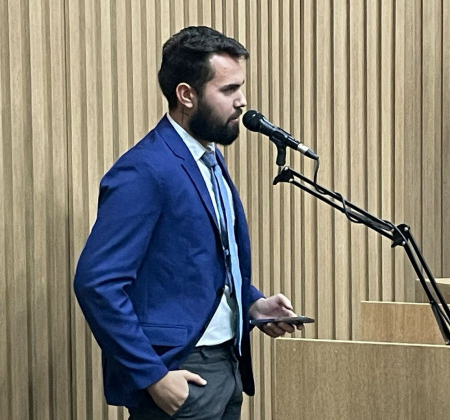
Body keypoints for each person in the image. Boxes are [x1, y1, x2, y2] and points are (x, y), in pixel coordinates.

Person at [73, 26, 300, 419]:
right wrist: (153, 376)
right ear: (186, 95)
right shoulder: (144, 170)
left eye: (241, 87)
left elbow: (200, 262)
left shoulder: (209, 159)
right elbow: (97, 282)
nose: (242, 101)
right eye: (228, 90)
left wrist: (252, 303)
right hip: (181, 371)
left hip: (227, 364)